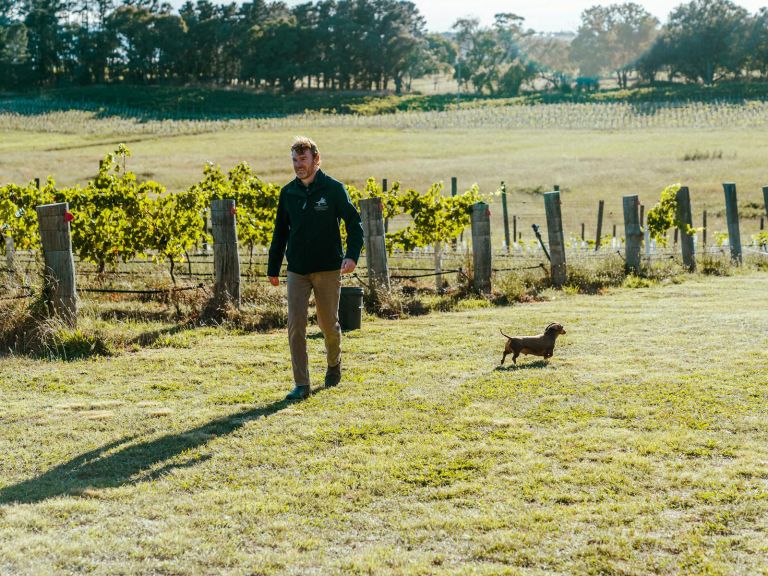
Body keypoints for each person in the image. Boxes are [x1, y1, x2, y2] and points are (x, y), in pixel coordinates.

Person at [267, 137, 364, 400]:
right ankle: (302, 383)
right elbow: (280, 232)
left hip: (328, 269)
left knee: (327, 324)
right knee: (295, 325)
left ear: (316, 160)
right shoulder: (288, 193)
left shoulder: (333, 189)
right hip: (297, 269)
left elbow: (354, 224)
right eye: (294, 160)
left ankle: (334, 364)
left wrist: (352, 256)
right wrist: (273, 268)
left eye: (303, 159)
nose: (298, 165)